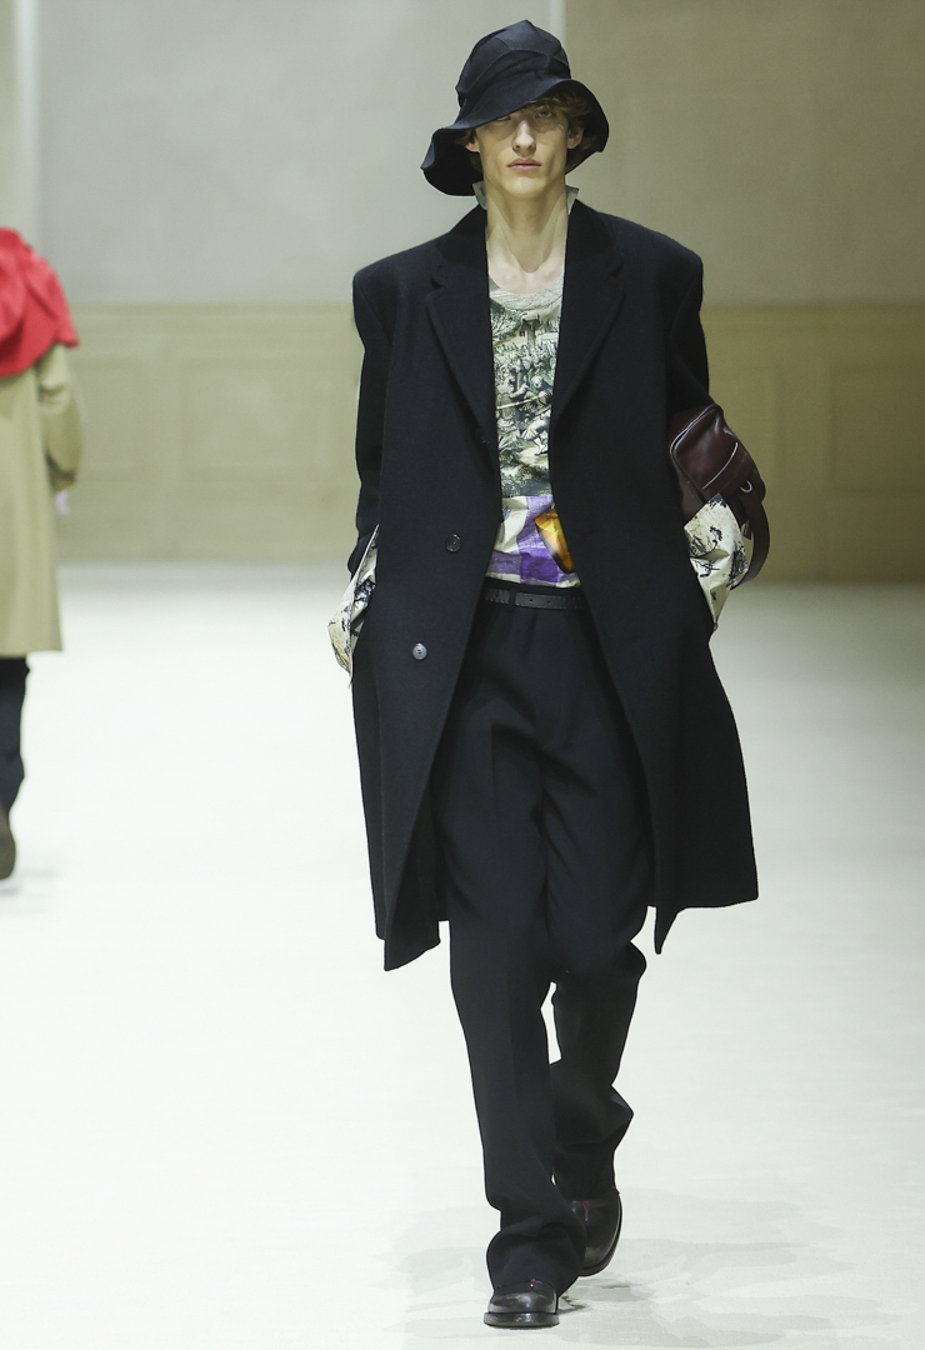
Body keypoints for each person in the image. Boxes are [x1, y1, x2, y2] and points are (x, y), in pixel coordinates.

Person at [343, 20, 756, 1329]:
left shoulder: (654, 274)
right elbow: (384, 473)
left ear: (576, 131)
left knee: (593, 938)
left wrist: (699, 571)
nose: (526, 134)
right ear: (471, 141)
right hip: (467, 657)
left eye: (547, 112)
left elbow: (690, 437)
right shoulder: (399, 293)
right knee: (491, 953)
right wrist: (367, 590)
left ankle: (581, 1125)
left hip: (606, 648)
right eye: (503, 116)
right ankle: (527, 1232)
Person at [0, 230, 83, 879]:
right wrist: (58, 473)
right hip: (10, 508)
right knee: (6, 668)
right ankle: (1, 800)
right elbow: (57, 399)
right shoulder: (27, 278)